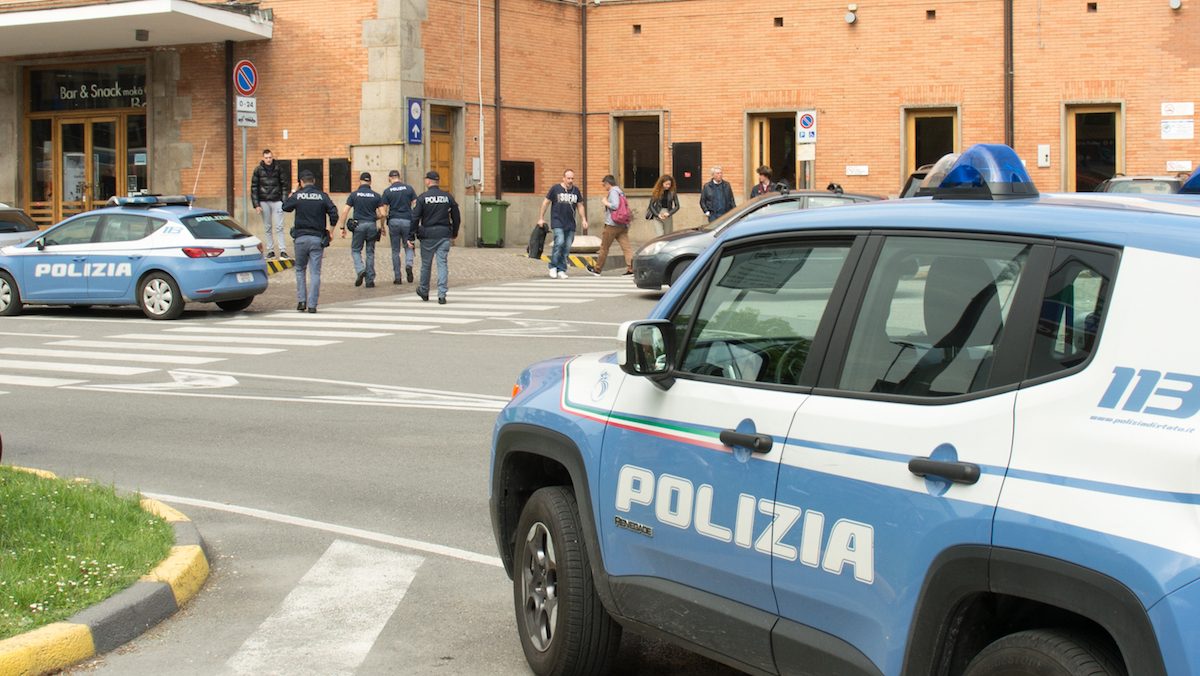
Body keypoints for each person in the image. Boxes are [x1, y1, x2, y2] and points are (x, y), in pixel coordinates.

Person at [281, 170, 337, 313]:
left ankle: (301, 301)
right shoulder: (322, 196)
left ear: (301, 182)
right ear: (314, 181)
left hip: (300, 238)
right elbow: (334, 213)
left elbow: (285, 207)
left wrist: (294, 191)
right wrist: (331, 231)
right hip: (317, 239)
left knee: (300, 269)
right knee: (315, 272)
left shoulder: (298, 195)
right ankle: (312, 305)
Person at [411, 171, 461, 304]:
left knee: (426, 265)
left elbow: (415, 218)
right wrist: (454, 232)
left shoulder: (422, 198)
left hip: (427, 235)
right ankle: (442, 294)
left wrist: (411, 236)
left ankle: (424, 290)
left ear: (428, 181)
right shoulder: (448, 197)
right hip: (444, 234)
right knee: (442, 263)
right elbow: (456, 216)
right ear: (437, 181)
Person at [537, 169, 588, 279]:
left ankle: (561, 269)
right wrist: (541, 218)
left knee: (567, 247)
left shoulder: (576, 191)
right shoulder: (555, 189)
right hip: (558, 221)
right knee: (559, 242)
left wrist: (583, 219)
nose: (570, 180)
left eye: (572, 178)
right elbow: (546, 203)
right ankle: (553, 266)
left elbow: (580, 205)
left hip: (570, 223)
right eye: (568, 178)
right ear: (563, 178)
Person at [341, 172, 386, 288]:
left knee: (356, 250)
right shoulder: (376, 196)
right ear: (370, 182)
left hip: (359, 225)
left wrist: (342, 227)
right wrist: (378, 222)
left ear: (360, 181)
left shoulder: (354, 195)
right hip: (371, 225)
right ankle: (370, 280)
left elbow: (345, 211)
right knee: (370, 252)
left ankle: (360, 269)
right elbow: (383, 213)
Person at [587, 175, 633, 276]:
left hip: (612, 224)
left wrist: (606, 202)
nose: (604, 187)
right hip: (622, 224)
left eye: (604, 185)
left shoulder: (613, 192)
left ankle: (597, 269)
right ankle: (631, 268)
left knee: (604, 247)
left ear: (608, 183)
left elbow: (615, 206)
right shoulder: (621, 191)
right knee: (626, 247)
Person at [251, 149, 287, 259]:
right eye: (266, 158)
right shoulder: (258, 170)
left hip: (277, 200)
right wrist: (256, 205)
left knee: (279, 226)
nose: (268, 160)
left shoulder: (278, 169)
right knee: (267, 227)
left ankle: (282, 250)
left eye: (270, 157)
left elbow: (284, 185)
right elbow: (254, 187)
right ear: (263, 158)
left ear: (272, 157)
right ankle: (270, 250)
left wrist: (284, 201)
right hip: (264, 201)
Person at [382, 169, 417, 284]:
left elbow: (384, 211)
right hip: (407, 220)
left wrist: (382, 226)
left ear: (389, 178)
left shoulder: (387, 191)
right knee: (409, 245)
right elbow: (415, 204)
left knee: (395, 250)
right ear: (399, 177)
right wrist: (415, 218)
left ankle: (397, 277)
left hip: (394, 221)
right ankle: (409, 264)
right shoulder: (409, 188)